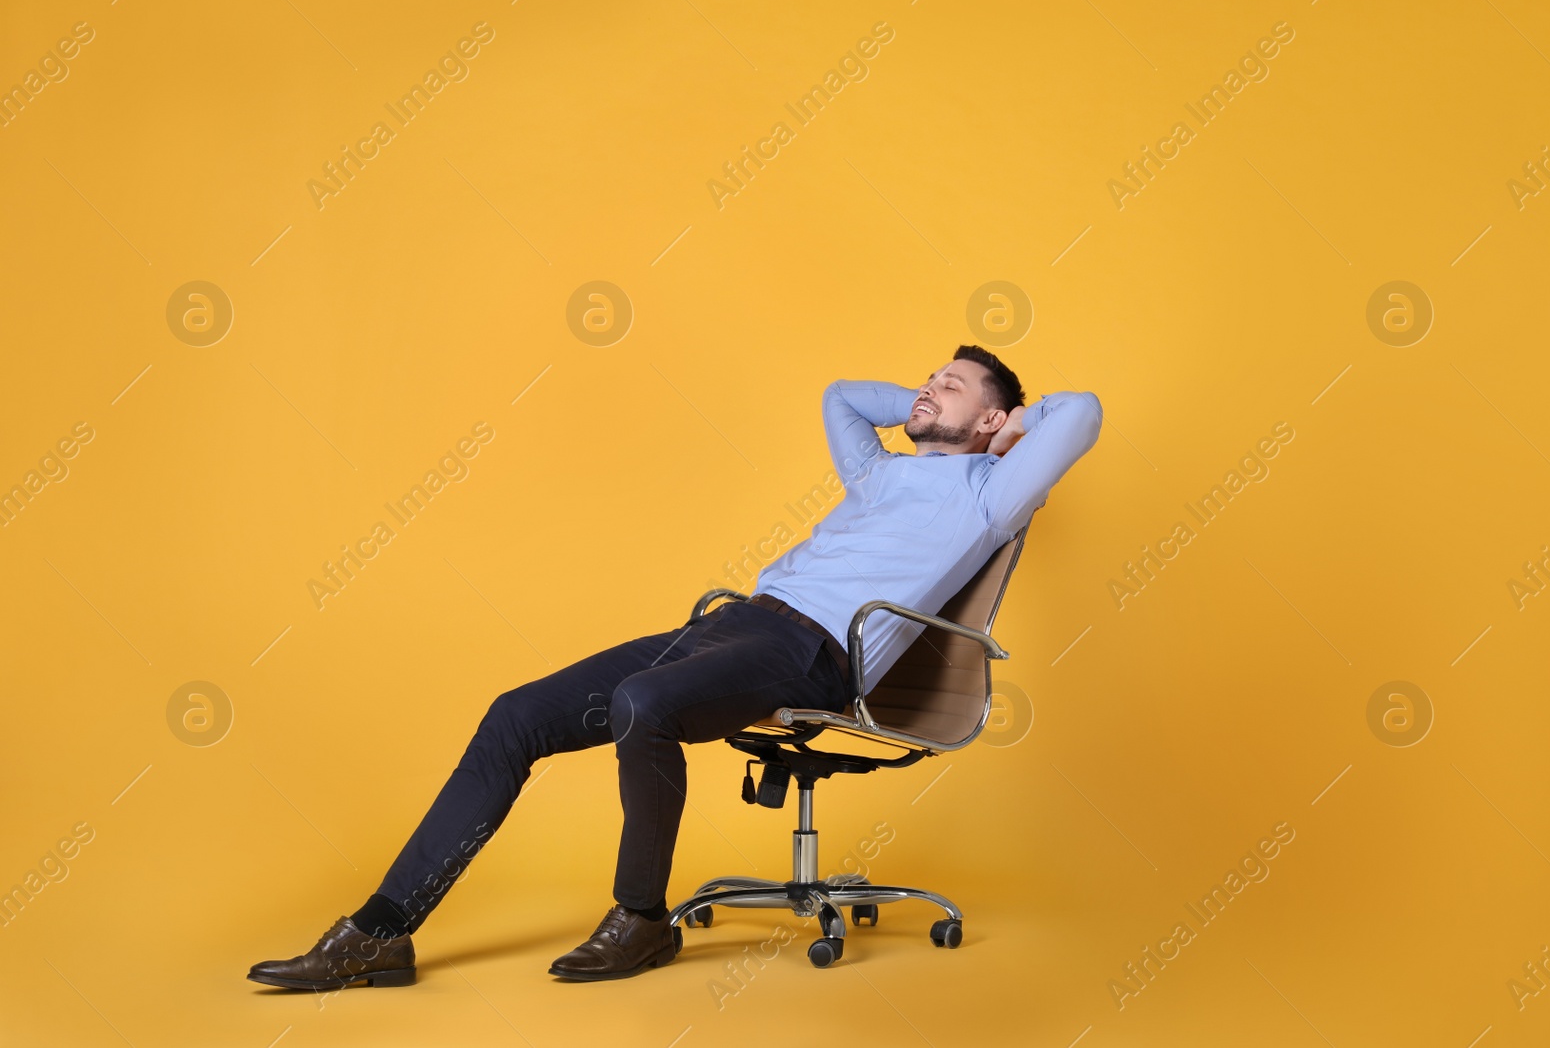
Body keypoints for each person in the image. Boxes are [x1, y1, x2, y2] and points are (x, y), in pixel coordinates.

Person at [246, 344, 1102, 988]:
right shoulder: (879, 475)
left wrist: (1017, 423)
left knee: (642, 702)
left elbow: (1085, 410)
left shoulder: (990, 496)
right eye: (928, 376)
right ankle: (379, 934)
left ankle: (643, 919)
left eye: (950, 385)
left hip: (811, 655)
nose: (924, 388)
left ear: (992, 422)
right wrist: (935, 404)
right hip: (733, 624)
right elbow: (843, 396)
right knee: (515, 715)